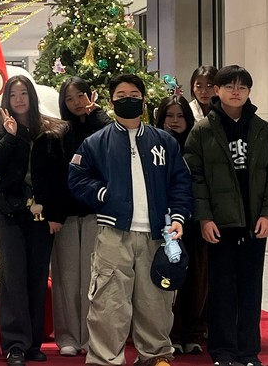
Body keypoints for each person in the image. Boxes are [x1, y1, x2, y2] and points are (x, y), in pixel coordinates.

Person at [68, 73, 192, 366]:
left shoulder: (164, 142)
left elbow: (181, 183)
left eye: (134, 96)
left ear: (143, 100)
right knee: (109, 303)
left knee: (156, 301)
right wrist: (102, 194)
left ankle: (156, 355)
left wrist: (178, 218)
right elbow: (77, 177)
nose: (128, 100)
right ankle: (105, 359)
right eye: (121, 96)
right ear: (111, 103)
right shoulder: (96, 142)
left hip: (157, 235)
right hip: (114, 234)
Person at [184, 65, 268, 366]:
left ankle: (248, 351)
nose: (235, 92)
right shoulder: (202, 131)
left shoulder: (263, 131)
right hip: (220, 224)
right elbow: (195, 178)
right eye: (229, 86)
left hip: (254, 224)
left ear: (248, 92)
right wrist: (204, 218)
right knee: (221, 289)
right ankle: (223, 351)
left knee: (250, 289)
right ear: (217, 91)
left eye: (242, 87)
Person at [0, 75, 66, 366]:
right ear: (6, 99)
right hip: (10, 212)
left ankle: (33, 344)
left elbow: (58, 177)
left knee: (37, 278)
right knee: (13, 278)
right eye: (13, 95)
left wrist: (56, 215)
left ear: (31, 96)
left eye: (23, 94)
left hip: (42, 215)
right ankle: (14, 345)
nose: (18, 100)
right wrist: (10, 136)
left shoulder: (49, 129)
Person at [31, 77, 111, 358]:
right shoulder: (57, 133)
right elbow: (49, 177)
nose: (76, 102)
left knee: (92, 278)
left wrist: (96, 114)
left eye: (81, 96)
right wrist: (53, 214)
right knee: (65, 278)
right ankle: (67, 336)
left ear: (90, 96)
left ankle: (91, 336)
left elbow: (115, 144)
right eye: (70, 98)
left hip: (94, 213)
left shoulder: (100, 130)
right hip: (63, 217)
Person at [155, 96, 206, 355]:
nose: (174, 121)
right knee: (166, 280)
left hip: (193, 223)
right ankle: (169, 334)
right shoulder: (152, 145)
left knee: (195, 280)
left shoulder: (196, 145)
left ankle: (192, 332)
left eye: (180, 116)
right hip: (164, 225)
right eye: (169, 115)